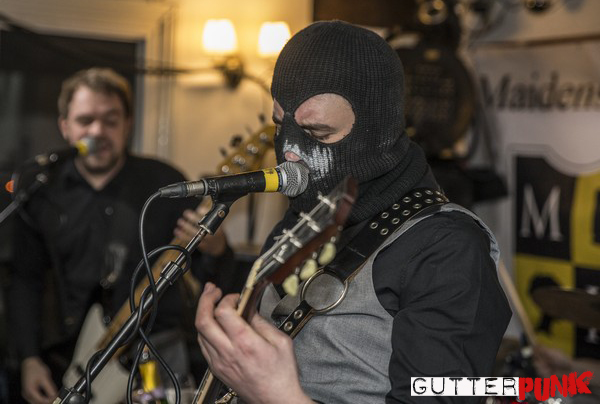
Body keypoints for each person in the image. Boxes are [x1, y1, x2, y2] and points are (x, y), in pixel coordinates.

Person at [194, 20, 512, 404]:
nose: (290, 152)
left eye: (318, 134)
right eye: (280, 125)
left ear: (378, 130)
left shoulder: (448, 249)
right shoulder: (304, 219)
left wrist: (277, 395)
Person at [8, 67, 234, 404]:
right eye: (85, 120)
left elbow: (210, 276)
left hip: (155, 355)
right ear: (65, 127)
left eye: (110, 120)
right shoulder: (43, 191)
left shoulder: (165, 183)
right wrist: (28, 357)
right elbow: (25, 280)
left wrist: (217, 249)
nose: (98, 131)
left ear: (127, 124)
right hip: (73, 357)